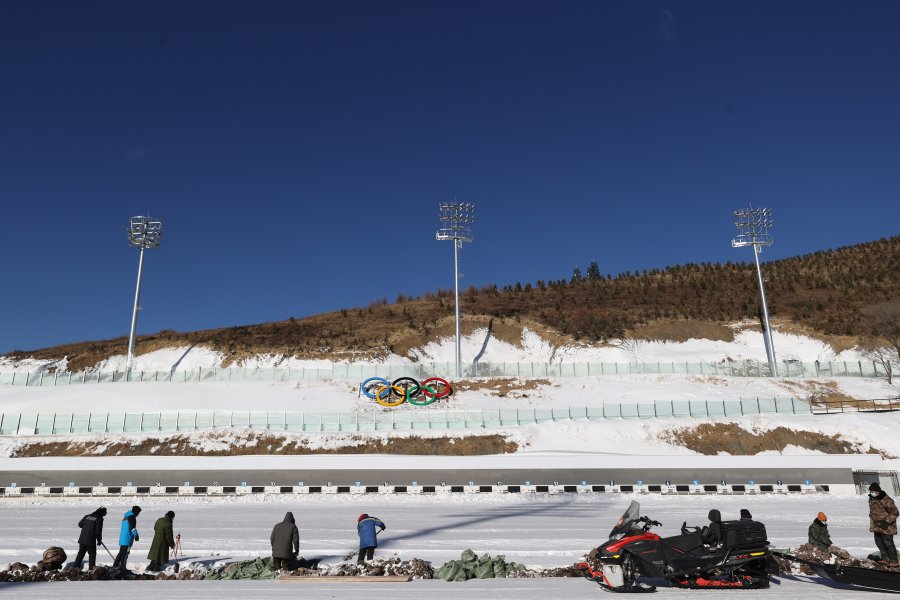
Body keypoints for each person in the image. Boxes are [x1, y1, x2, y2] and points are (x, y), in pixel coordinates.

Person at [869, 482, 899, 566]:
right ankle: (885, 559)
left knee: (888, 544)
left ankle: (894, 561)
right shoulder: (872, 499)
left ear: (878, 491)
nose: (872, 493)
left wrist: (886, 520)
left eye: (874, 491)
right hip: (876, 526)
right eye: (871, 491)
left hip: (887, 527)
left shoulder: (887, 500)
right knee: (879, 543)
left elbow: (895, 513)